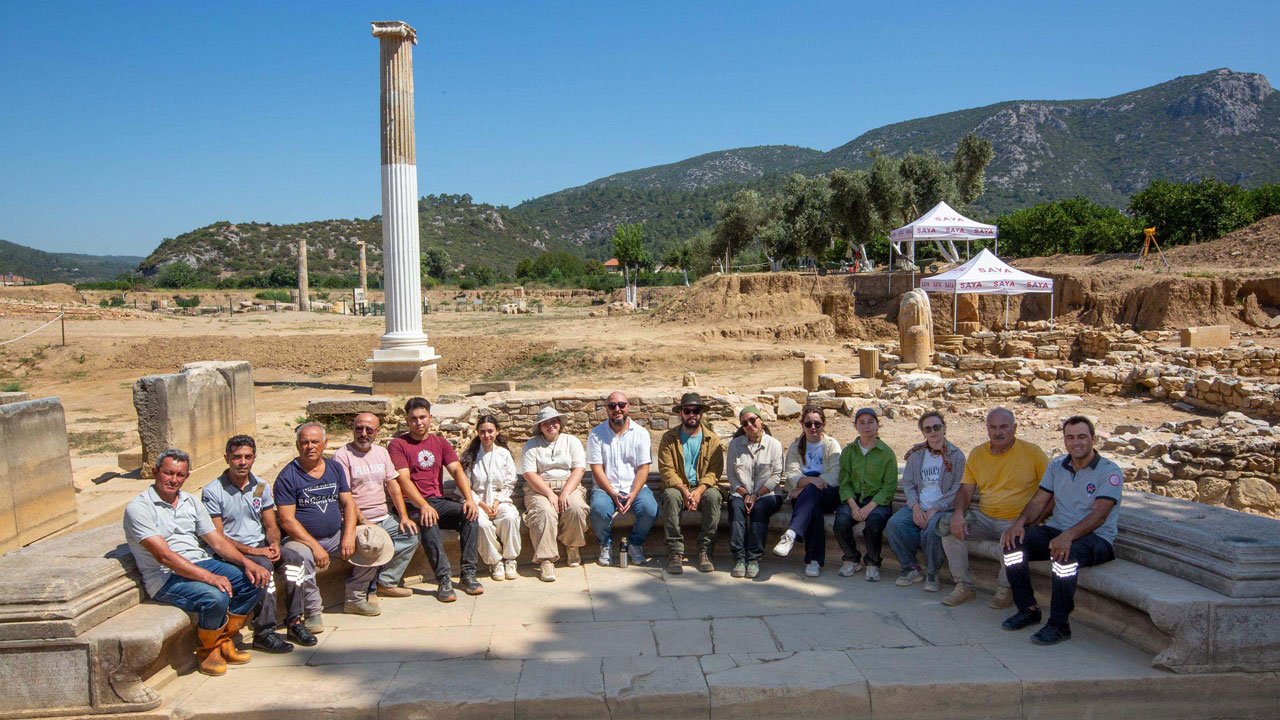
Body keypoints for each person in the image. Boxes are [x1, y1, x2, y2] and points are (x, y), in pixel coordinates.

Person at [123, 449, 270, 676]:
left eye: (180, 475)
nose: (174, 480)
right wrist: (210, 578)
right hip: (165, 576)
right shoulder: (139, 508)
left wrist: (247, 562)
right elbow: (165, 556)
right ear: (155, 472)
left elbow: (216, 541)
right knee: (215, 596)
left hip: (200, 562)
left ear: (187, 476)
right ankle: (207, 651)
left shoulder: (190, 501)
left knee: (255, 580)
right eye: (168, 473)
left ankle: (224, 639)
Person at [1000, 416, 1122, 645]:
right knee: (1013, 544)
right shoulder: (1057, 466)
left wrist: (1067, 536)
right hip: (1057, 531)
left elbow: (1099, 515)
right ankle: (1028, 609)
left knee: (1065, 558)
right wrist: (1018, 523)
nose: (1076, 442)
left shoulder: (1109, 472)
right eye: (1070, 437)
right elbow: (1038, 501)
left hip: (1096, 539)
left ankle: (1059, 624)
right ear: (1065, 440)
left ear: (1093, 439)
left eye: (1082, 437)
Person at [936, 407, 1050, 608]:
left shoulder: (1033, 453)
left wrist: (1034, 520)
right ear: (987, 429)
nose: (998, 432)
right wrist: (958, 514)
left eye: (1004, 427)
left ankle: (1006, 588)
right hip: (985, 517)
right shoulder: (978, 454)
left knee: (1013, 542)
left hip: (1016, 520)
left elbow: (1052, 491)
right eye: (993, 427)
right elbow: (966, 490)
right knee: (948, 529)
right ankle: (964, 586)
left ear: (1014, 428)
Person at [276, 423, 374, 634]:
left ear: (325, 444)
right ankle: (313, 611)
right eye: (305, 442)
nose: (310, 446)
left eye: (315, 442)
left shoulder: (334, 468)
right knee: (301, 557)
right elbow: (287, 520)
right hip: (301, 540)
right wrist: (315, 547)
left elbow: (348, 504)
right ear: (297, 446)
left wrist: (348, 535)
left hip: (335, 536)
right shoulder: (287, 476)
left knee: (374, 541)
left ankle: (355, 597)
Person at [200, 435, 294, 653]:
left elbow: (270, 525)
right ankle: (264, 632)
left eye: (247, 457)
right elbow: (217, 536)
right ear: (227, 458)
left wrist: (274, 543)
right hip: (232, 551)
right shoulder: (213, 491)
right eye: (237, 457)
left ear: (254, 458)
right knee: (264, 568)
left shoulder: (260, 486)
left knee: (295, 559)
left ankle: (296, 620)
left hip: (260, 545)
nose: (242, 462)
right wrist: (256, 552)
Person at [389, 397, 484, 602]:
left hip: (437, 501)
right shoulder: (398, 444)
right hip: (411, 503)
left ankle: (468, 574)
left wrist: (469, 499)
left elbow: (456, 470)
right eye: (413, 419)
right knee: (428, 519)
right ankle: (444, 579)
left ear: (430, 418)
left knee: (469, 515)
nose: (419, 422)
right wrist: (423, 505)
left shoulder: (440, 443)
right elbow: (403, 480)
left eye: (422, 417)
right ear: (407, 420)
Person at [331, 413, 420, 601]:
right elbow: (345, 495)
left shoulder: (381, 452)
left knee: (410, 535)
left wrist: (403, 516)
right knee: (372, 543)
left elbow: (393, 485)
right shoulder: (342, 456)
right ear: (353, 429)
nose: (363, 434)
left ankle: (386, 582)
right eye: (359, 428)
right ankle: (367, 591)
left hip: (383, 516)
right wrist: (363, 521)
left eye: (369, 430)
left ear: (377, 432)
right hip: (357, 520)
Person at [887, 412, 966, 592]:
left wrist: (935, 509)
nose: (933, 432)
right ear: (923, 432)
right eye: (928, 429)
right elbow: (908, 483)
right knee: (895, 524)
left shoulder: (956, 456)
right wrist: (915, 507)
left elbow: (957, 488)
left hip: (943, 508)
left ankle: (932, 572)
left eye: (936, 427)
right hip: (920, 505)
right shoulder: (917, 455)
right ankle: (911, 567)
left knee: (932, 529)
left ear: (944, 428)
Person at [657, 392, 725, 574]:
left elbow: (714, 471)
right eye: (687, 411)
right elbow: (667, 469)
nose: (692, 415)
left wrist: (699, 490)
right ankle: (675, 552)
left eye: (696, 411)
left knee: (713, 497)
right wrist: (684, 491)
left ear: (701, 413)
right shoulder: (669, 438)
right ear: (681, 413)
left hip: (702, 486)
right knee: (671, 497)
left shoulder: (712, 439)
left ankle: (705, 550)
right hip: (678, 487)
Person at [587, 391, 658, 567]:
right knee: (598, 509)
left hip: (633, 486)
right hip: (605, 488)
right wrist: (612, 492)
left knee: (650, 508)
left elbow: (643, 468)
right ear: (607, 409)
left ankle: (635, 543)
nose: (617, 409)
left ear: (628, 407)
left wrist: (633, 493)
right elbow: (596, 468)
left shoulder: (640, 433)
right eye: (612, 406)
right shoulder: (596, 434)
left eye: (621, 405)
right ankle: (605, 544)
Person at [521, 406, 590, 582]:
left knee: (576, 507)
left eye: (554, 421)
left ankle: (572, 546)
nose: (550, 425)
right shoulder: (531, 445)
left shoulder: (571, 441)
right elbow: (529, 474)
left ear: (560, 423)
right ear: (540, 427)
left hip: (569, 485)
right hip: (540, 488)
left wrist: (565, 492)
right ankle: (546, 559)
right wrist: (549, 494)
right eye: (545, 423)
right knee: (544, 512)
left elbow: (579, 469)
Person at [772, 406, 843, 577]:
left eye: (817, 424)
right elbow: (792, 475)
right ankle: (813, 561)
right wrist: (811, 482)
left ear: (823, 424)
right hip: (805, 495)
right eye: (808, 423)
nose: (813, 427)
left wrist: (805, 486)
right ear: (802, 425)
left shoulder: (832, 445)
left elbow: (835, 476)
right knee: (814, 509)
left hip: (827, 494)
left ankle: (791, 533)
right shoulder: (796, 447)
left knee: (811, 494)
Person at [833, 408, 897, 582]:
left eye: (870, 422)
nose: (866, 426)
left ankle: (873, 562)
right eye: (861, 422)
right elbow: (844, 482)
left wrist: (869, 507)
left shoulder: (886, 453)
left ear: (877, 425)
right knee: (841, 521)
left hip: (877, 501)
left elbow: (889, 486)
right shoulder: (849, 452)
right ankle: (851, 557)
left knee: (874, 523)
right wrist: (853, 506)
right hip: (854, 499)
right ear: (856, 426)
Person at [459, 415, 522, 581]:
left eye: (490, 431)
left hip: (499, 499)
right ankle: (495, 561)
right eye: (482, 432)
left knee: (510, 517)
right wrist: (482, 505)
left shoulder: (504, 454)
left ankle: (510, 559)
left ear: (497, 431)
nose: (486, 435)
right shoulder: (470, 456)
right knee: (481, 524)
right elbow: (465, 486)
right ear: (478, 433)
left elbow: (510, 482)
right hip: (477, 500)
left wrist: (497, 501)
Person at [726, 406, 784, 579]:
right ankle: (739, 557)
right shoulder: (735, 445)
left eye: (753, 420)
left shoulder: (774, 445)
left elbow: (776, 476)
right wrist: (745, 494)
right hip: (741, 492)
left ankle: (754, 558)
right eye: (745, 423)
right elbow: (732, 476)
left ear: (761, 421)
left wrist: (756, 495)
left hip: (767, 493)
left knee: (759, 510)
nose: (750, 425)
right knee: (737, 509)